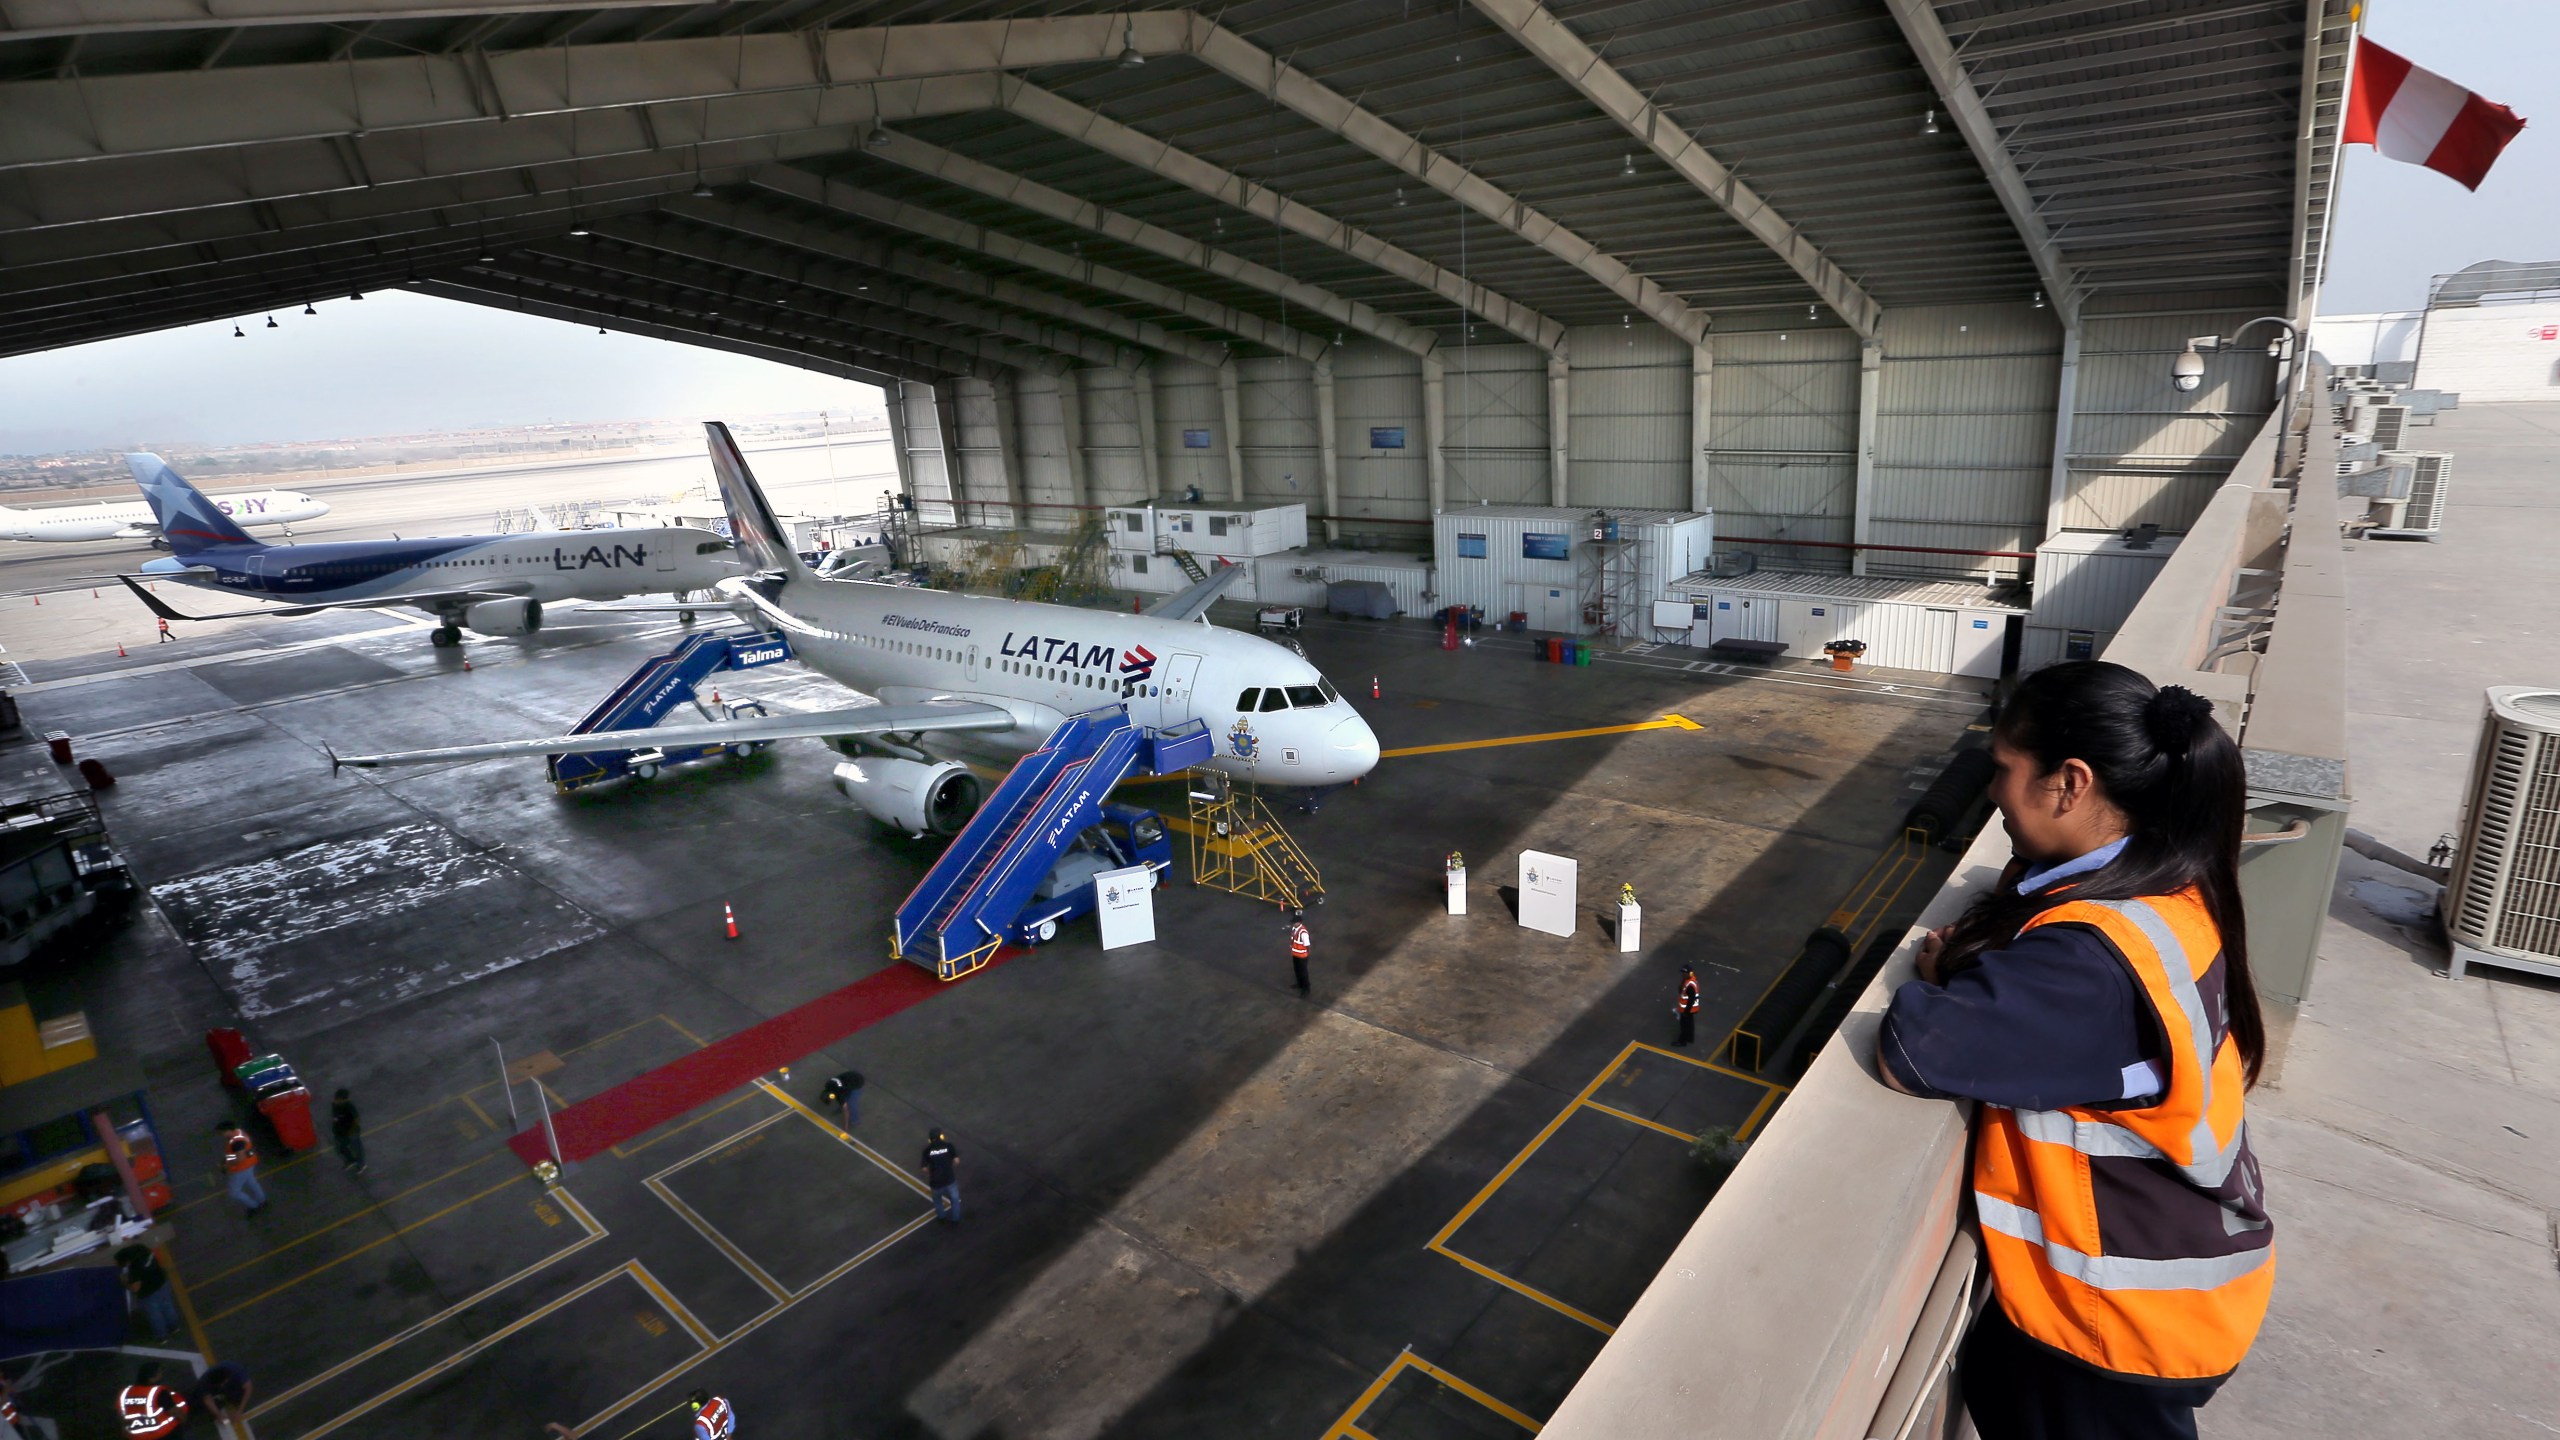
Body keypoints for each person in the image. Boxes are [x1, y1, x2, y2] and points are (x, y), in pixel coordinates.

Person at [1876, 662, 2273, 1440]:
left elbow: (1914, 1049)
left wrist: (1939, 969)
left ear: (2070, 784)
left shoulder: (2092, 962)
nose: (1992, 792)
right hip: (2160, 1282)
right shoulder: (2168, 888)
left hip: (2117, 1324)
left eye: (2004, 769)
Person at [116, 1244, 179, 1341]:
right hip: (161, 1282)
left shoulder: (134, 1268)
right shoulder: (143, 1249)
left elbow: (135, 1288)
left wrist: (124, 1281)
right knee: (168, 1306)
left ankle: (161, 1336)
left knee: (154, 1315)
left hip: (148, 1293)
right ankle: (174, 1327)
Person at [116, 1363, 187, 1439]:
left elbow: (121, 1416)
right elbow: (175, 1413)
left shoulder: (125, 1392)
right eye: (159, 1372)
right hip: (161, 1435)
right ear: (151, 1378)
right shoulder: (158, 1392)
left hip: (136, 1436)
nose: (162, 1374)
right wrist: (184, 1422)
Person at [216, 1122, 267, 1215]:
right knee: (252, 1183)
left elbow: (240, 1158)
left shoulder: (236, 1142)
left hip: (241, 1168)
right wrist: (226, 1159)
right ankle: (262, 1200)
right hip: (250, 1162)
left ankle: (253, 1206)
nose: (221, 1135)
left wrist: (226, 1165)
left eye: (221, 1133)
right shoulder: (239, 1132)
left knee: (234, 1193)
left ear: (228, 1131)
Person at [192, 1361, 251, 1440]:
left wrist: (240, 1410)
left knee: (237, 1396)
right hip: (215, 1386)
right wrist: (218, 1415)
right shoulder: (204, 1382)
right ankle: (221, 1400)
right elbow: (207, 1399)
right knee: (199, 1402)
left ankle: (229, 1397)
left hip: (232, 1383)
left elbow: (248, 1388)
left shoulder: (236, 1371)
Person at [921, 1128, 960, 1224]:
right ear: (941, 1136)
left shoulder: (927, 1150)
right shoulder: (948, 1146)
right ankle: (955, 1219)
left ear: (930, 1139)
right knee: (955, 1200)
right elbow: (956, 1161)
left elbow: (924, 1168)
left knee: (937, 1200)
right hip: (949, 1180)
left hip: (935, 1182)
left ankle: (941, 1217)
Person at [330, 1088, 366, 1174]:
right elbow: (335, 1116)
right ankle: (350, 1161)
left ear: (344, 1100)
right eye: (336, 1099)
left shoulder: (350, 1107)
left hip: (351, 1131)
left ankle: (361, 1164)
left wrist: (352, 1131)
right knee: (341, 1148)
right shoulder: (334, 1104)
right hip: (340, 1131)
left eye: (338, 1100)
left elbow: (356, 1119)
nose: (336, 1101)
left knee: (357, 1149)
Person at [821, 1069, 864, 1134]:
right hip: (849, 1076)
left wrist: (845, 1128)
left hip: (857, 1082)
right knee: (844, 1101)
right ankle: (842, 1106)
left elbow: (846, 1111)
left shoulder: (840, 1095)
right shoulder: (828, 1085)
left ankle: (855, 1120)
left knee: (851, 1105)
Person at [1673, 966, 1702, 1048]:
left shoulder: (1690, 985)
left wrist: (1686, 1012)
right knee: (1688, 1025)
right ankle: (1689, 1038)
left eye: (1685, 973)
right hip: (1689, 1009)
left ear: (1690, 973)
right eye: (1683, 973)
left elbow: (1691, 1000)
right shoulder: (1689, 980)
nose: (1683, 975)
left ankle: (1682, 1041)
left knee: (1685, 1026)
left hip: (1688, 1010)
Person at [1286, 909, 1311, 998]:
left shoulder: (1303, 933)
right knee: (1297, 970)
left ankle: (1306, 988)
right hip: (1295, 954)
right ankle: (1299, 984)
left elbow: (1307, 945)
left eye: (1294, 922)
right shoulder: (1294, 929)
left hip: (1302, 956)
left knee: (1303, 972)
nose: (1293, 924)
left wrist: (1306, 955)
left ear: (1299, 923)